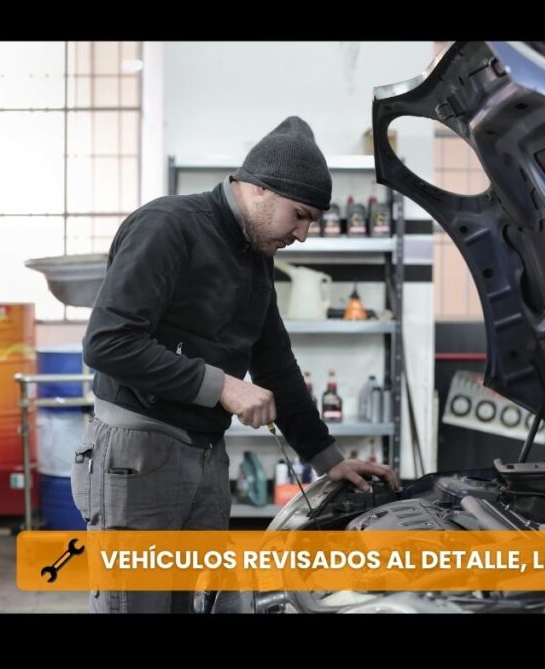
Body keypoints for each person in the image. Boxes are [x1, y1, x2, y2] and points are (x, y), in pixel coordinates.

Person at [77, 116, 399, 613]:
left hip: (205, 454)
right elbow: (107, 343)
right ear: (259, 190)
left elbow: (275, 363)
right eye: (300, 215)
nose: (305, 233)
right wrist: (222, 386)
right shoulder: (168, 226)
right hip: (138, 457)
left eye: (311, 219)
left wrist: (329, 460)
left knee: (201, 604)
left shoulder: (254, 253)